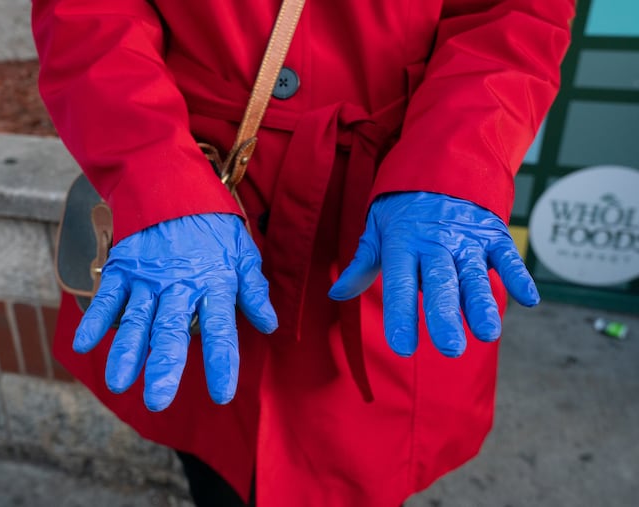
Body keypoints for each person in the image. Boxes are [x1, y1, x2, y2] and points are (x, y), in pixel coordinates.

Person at [31, 1, 574, 505]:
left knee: (362, 463)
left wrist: (455, 165)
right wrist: (156, 175)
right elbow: (88, 11)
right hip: (200, 205)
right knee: (218, 463)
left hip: (398, 218)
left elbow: (514, 13)